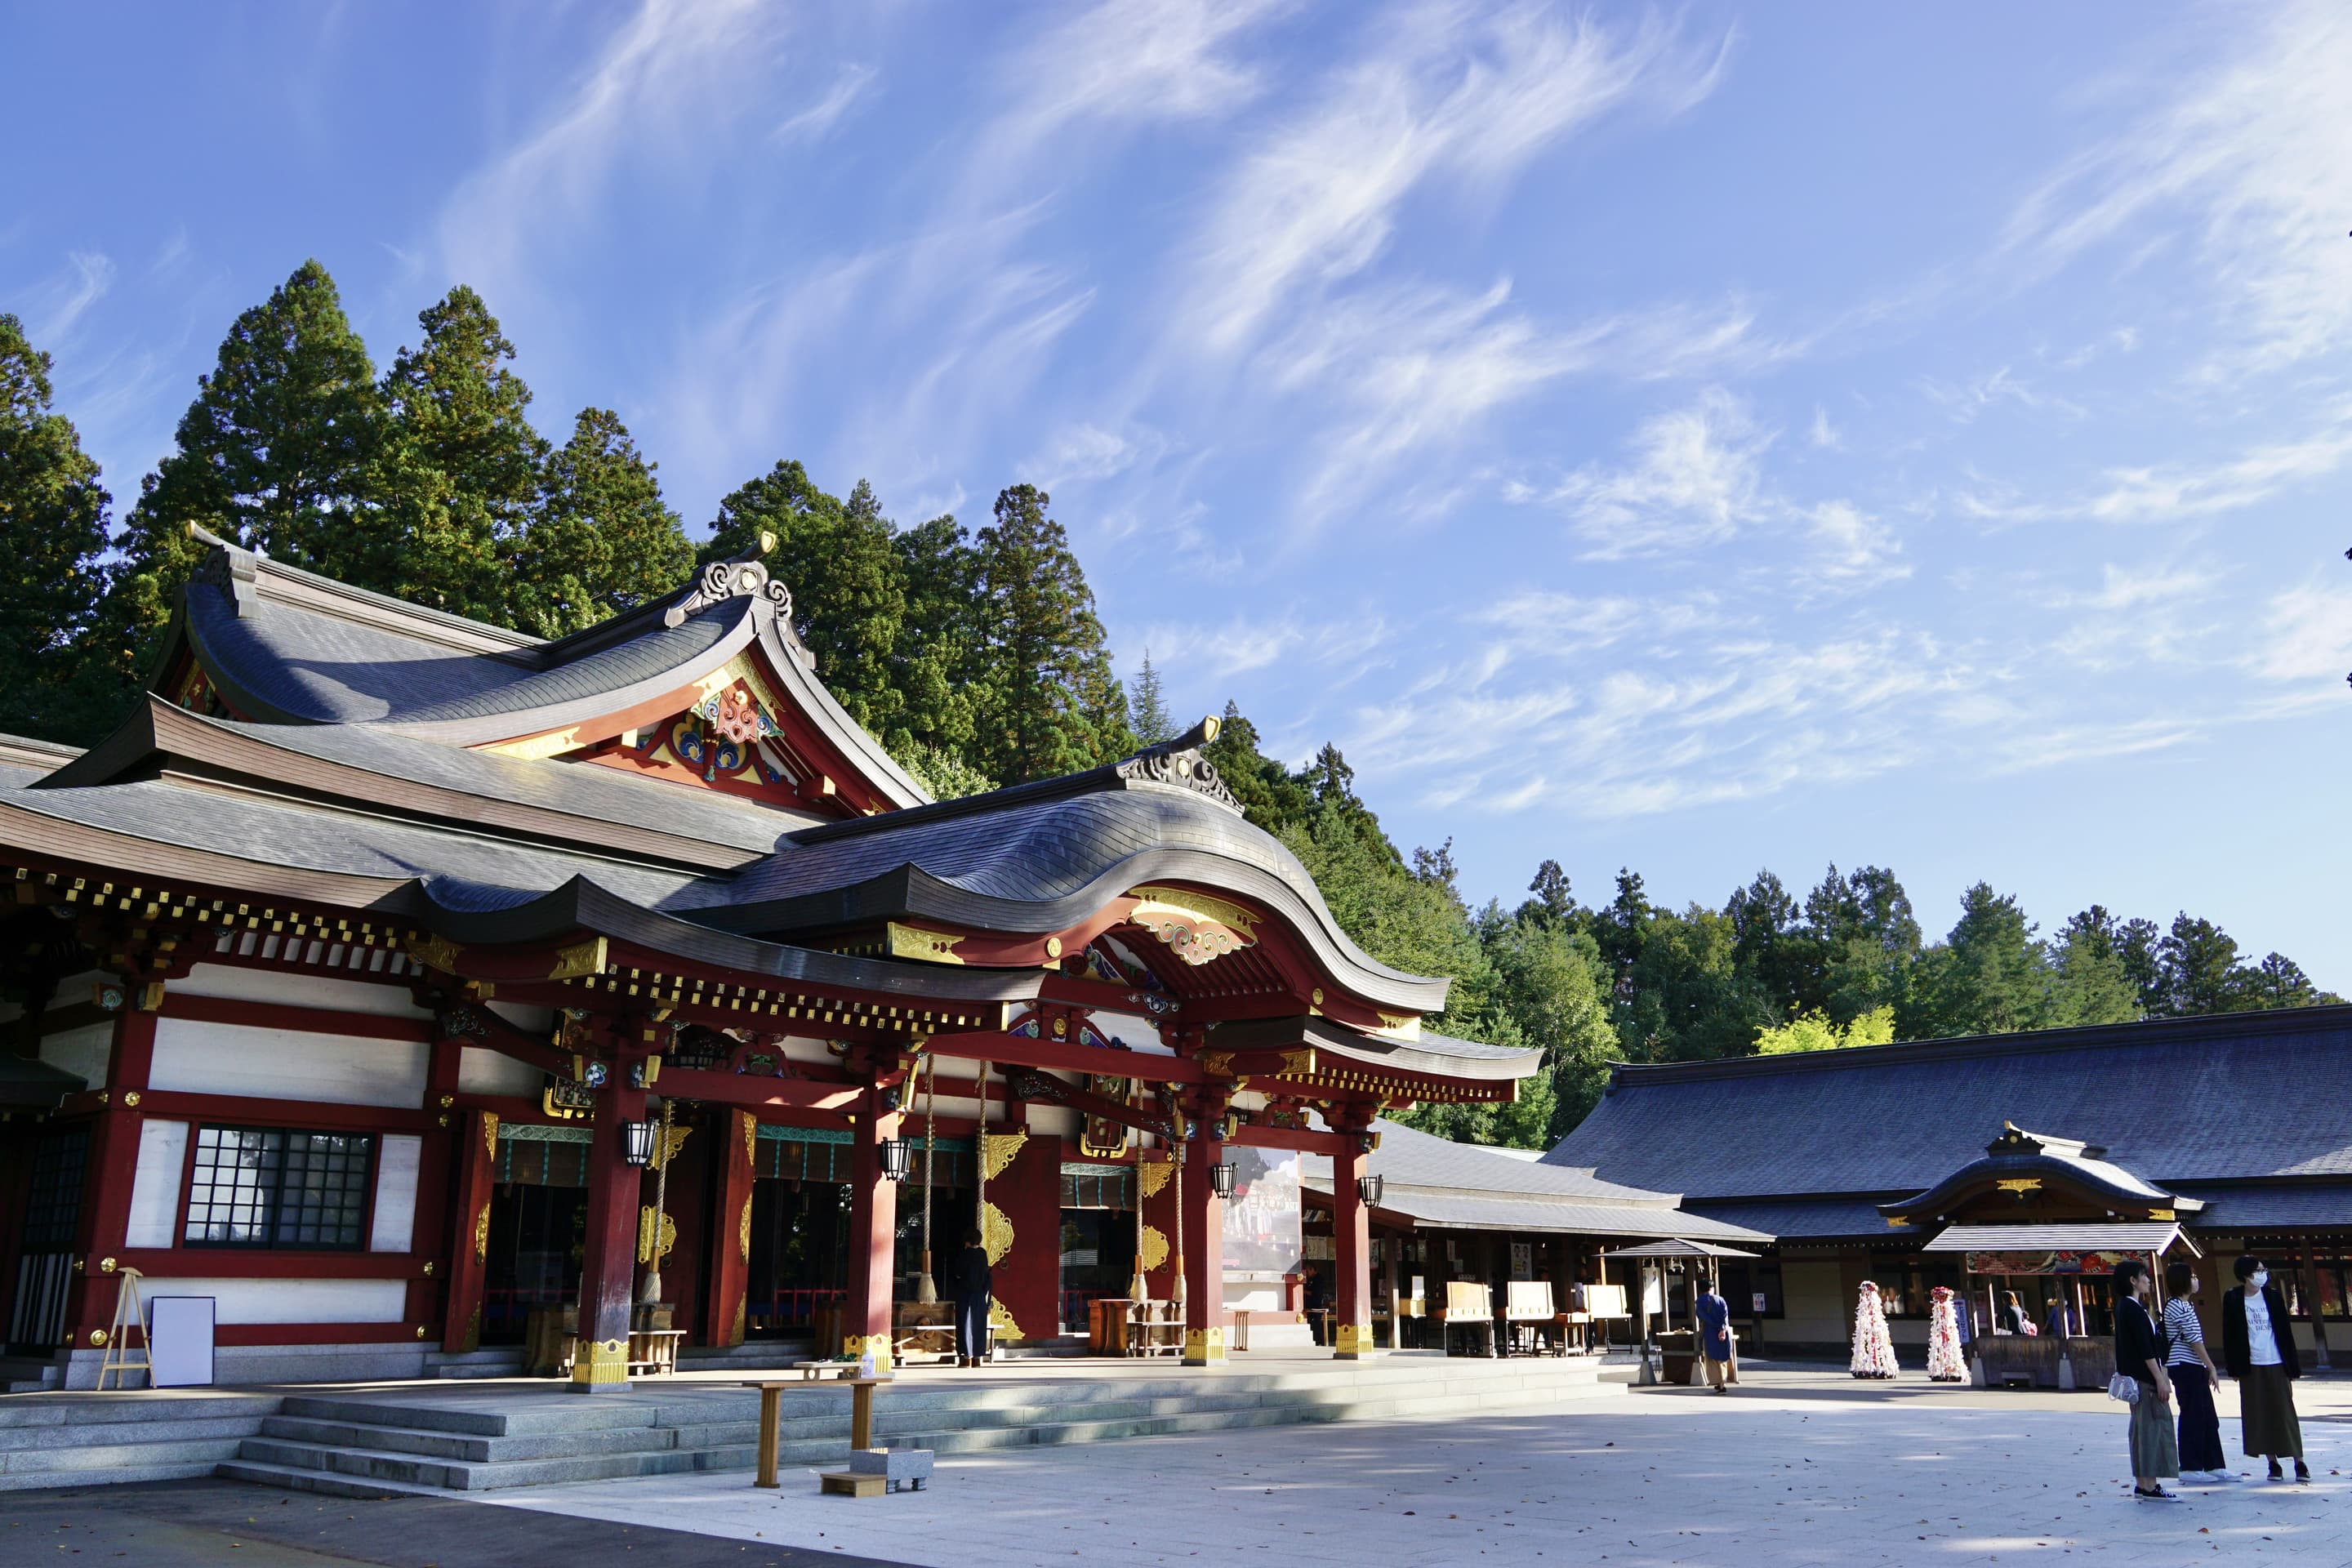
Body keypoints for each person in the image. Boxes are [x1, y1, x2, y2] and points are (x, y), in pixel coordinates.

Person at [2221, 1254, 2309, 1483]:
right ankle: (2273, 1463)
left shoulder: (2272, 1296)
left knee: (2285, 1412)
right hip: (2250, 1364)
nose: (2263, 1274)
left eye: (2263, 1269)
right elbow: (2229, 1335)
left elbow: (2285, 1333)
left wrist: (2293, 1366)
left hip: (2276, 1361)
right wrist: (2234, 1368)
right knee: (2259, 1413)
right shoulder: (2232, 1299)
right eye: (2258, 1270)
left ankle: (2299, 1462)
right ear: (2246, 1275)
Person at [2113, 1259, 2181, 1500]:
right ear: (2133, 1280)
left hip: (2134, 1379)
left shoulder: (2124, 1307)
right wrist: (2160, 1379)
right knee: (2152, 1429)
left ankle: (2144, 1482)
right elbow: (2146, 1350)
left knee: (2141, 1430)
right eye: (2145, 1276)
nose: (2148, 1280)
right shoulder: (2134, 1309)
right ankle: (2149, 1485)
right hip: (2145, 1380)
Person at [2163, 1263, 2231, 1481]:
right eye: (2192, 1276)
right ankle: (2191, 1466)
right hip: (2184, 1365)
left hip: (2192, 1365)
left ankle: (2214, 1464)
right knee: (2194, 1414)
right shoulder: (2177, 1306)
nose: (2196, 1280)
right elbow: (2195, 1340)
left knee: (2208, 1416)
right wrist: (2211, 1365)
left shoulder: (2184, 1305)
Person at [949, 1225, 991, 1368]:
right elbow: (987, 1276)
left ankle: (966, 1357)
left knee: (965, 1324)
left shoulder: (964, 1255)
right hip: (980, 1295)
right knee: (979, 1325)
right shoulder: (983, 1254)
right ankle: (978, 1358)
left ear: (967, 1241)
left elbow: (957, 1274)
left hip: (965, 1294)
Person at [1694, 1276, 1735, 1394]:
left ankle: (1718, 1383)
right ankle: (1723, 1383)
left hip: (1710, 1332)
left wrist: (1716, 1326)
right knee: (1722, 1357)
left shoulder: (1700, 1301)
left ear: (1701, 1289)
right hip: (1723, 1332)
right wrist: (1722, 1328)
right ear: (1712, 1287)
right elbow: (1725, 1316)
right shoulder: (1720, 1300)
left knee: (1711, 1358)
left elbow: (1703, 1317)